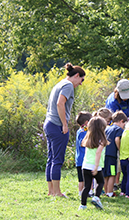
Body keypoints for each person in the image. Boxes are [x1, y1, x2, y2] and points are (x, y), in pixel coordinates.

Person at [43, 63, 85, 197]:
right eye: (81, 80)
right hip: (57, 125)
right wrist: (64, 124)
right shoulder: (68, 86)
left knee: (51, 158)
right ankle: (57, 193)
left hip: (49, 123)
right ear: (76, 76)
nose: (81, 83)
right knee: (57, 160)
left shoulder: (60, 83)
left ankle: (51, 191)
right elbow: (60, 103)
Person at [79, 117, 109, 210]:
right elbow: (98, 153)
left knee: (87, 186)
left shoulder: (88, 139)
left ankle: (82, 205)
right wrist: (96, 167)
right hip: (95, 166)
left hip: (85, 166)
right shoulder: (101, 141)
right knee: (100, 182)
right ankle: (96, 197)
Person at [103, 111, 127, 197]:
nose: (124, 126)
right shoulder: (119, 129)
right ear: (121, 121)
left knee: (106, 174)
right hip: (112, 156)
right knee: (112, 174)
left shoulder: (107, 128)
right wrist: (120, 149)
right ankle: (110, 192)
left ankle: (106, 192)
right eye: (124, 123)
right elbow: (117, 139)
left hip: (104, 154)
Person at [75, 111, 92, 198]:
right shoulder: (83, 132)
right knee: (82, 179)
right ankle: (81, 192)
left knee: (84, 178)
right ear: (86, 122)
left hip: (80, 159)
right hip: (82, 159)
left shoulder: (80, 131)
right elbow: (82, 143)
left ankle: (86, 192)